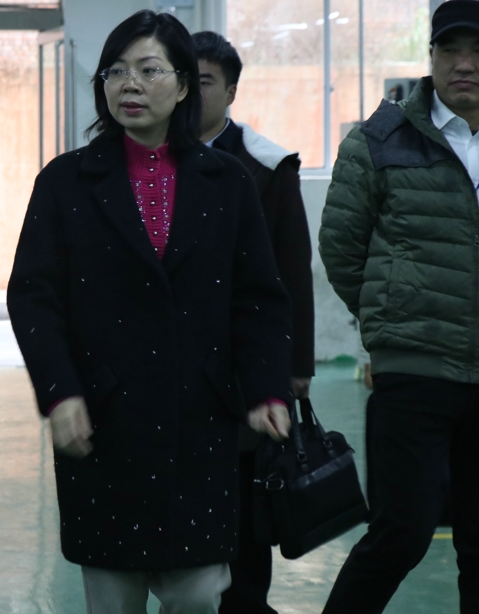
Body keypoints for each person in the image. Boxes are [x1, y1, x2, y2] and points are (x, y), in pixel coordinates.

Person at [7, 9, 294, 613]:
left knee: (198, 592)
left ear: (184, 85)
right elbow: (33, 295)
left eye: (148, 70)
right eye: (116, 71)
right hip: (105, 419)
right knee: (113, 595)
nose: (129, 84)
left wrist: (266, 387)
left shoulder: (227, 182)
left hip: (200, 419)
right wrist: (61, 393)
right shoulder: (66, 182)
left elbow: (258, 297)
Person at [319, 0, 479, 614]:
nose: (464, 64)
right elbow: (341, 245)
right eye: (450, 50)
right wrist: (391, 317)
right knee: (401, 533)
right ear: (432, 56)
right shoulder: (379, 141)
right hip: (413, 371)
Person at [190, 31, 315, 614]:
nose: (191, 93)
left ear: (232, 91)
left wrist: (295, 367)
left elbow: (292, 272)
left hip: (246, 368)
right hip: (178, 370)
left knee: (245, 504)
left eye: (205, 81)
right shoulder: (147, 161)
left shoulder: (266, 165)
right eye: (183, 79)